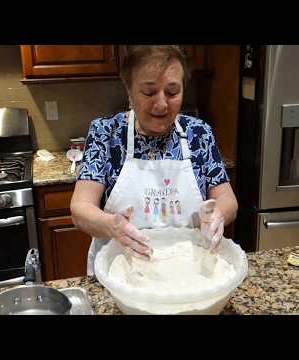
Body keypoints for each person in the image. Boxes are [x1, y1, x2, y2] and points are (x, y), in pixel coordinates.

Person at [70, 45, 238, 276]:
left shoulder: (199, 133)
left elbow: (227, 200)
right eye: (149, 93)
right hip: (121, 273)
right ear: (128, 90)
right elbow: (80, 209)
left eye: (172, 92)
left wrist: (219, 215)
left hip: (188, 273)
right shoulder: (106, 133)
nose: (161, 104)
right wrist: (112, 225)